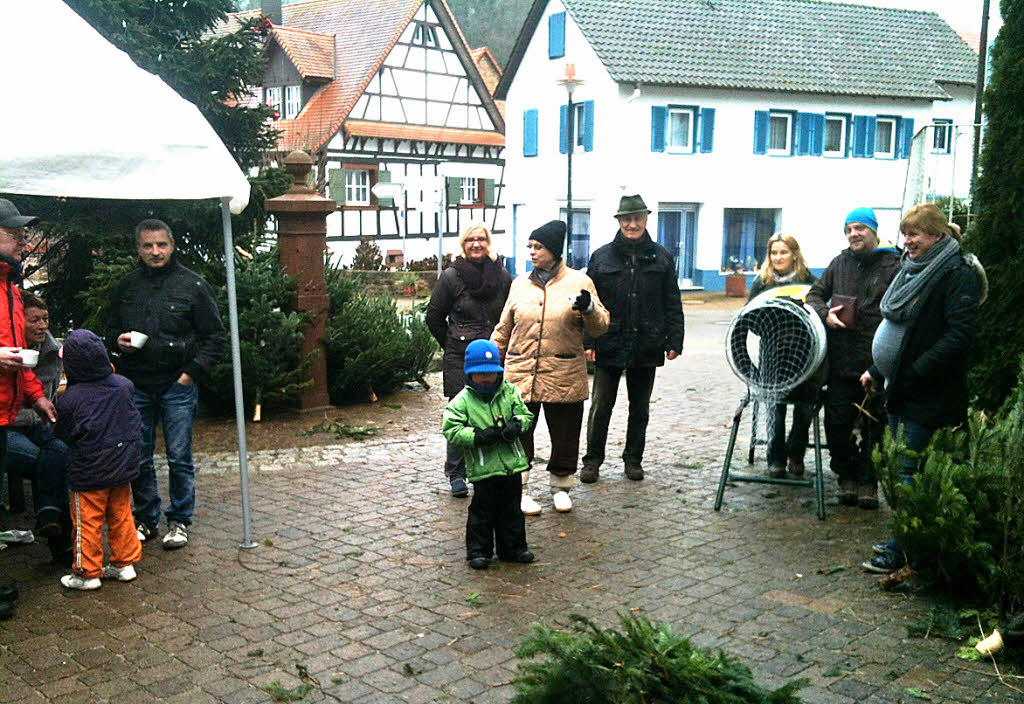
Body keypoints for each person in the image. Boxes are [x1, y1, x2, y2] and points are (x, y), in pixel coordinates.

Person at [861, 204, 984, 574]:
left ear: (937, 236)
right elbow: (900, 328)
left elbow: (960, 335)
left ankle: (903, 549)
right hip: (900, 387)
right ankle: (904, 540)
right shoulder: (913, 270)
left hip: (927, 392)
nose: (907, 241)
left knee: (907, 472)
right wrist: (876, 368)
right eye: (905, 234)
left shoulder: (956, 274)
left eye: (914, 234)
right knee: (900, 470)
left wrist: (914, 371)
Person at [107, 219, 226, 549]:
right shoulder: (126, 288)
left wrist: (191, 373)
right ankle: (146, 518)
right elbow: (109, 331)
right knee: (140, 455)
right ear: (138, 249)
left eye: (161, 245)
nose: (155, 252)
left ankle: (179, 520)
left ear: (172, 246)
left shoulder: (193, 286)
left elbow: (215, 337)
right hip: (137, 384)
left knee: (178, 456)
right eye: (148, 246)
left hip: (177, 383)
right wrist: (117, 342)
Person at [491, 220, 608, 515]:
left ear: (554, 250)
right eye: (530, 246)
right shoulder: (519, 284)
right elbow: (504, 327)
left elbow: (601, 327)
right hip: (521, 372)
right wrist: (490, 360)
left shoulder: (580, 282)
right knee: (518, 432)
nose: (532, 252)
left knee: (566, 432)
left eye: (538, 247)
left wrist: (589, 308)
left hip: (563, 373)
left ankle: (561, 486)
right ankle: (521, 489)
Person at [581, 195, 684, 483]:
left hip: (646, 342)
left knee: (640, 408)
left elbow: (672, 301)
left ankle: (633, 459)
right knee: (601, 406)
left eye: (637, 218)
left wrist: (674, 339)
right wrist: (588, 343)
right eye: (627, 219)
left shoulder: (662, 257)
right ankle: (592, 461)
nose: (632, 224)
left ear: (646, 219)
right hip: (609, 341)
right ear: (619, 221)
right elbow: (590, 305)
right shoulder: (601, 258)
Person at [806, 208, 899, 508]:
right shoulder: (839, 263)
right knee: (837, 424)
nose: (853, 234)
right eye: (848, 229)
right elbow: (814, 295)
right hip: (842, 361)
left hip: (878, 361)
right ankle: (845, 475)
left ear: (873, 230)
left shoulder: (894, 264)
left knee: (876, 425)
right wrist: (825, 315)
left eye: (859, 228)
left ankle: (867, 481)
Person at [426, 223, 512, 498]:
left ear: (489, 243)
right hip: (461, 358)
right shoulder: (451, 277)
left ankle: (490, 469)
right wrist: (453, 343)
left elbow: (510, 315)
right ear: (463, 245)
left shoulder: (503, 276)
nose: (476, 244)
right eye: (471, 240)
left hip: (494, 356)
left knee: (494, 412)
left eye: (481, 239)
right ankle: (456, 473)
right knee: (461, 415)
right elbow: (434, 317)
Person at [54, 330, 142, 590]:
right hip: (123, 466)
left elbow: (64, 433)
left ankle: (87, 572)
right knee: (122, 514)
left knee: (86, 522)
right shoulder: (124, 385)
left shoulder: (70, 399)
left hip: (89, 472)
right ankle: (124, 564)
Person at [442, 339, 535, 570]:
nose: (486, 378)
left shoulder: (510, 392)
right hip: (483, 468)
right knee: (482, 512)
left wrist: (517, 425)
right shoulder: (462, 401)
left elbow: (525, 415)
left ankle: (513, 548)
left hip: (511, 465)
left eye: (491, 373)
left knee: (512, 509)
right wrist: (476, 436)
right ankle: (478, 551)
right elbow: (451, 429)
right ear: (469, 374)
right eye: (479, 374)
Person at [3, 292, 71, 561]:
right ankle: (60, 540)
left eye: (46, 319)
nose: (43, 325)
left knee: (60, 451)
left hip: (32, 425)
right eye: (34, 320)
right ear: (18, 322)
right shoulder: (7, 351)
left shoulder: (51, 349)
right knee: (44, 462)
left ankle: (48, 518)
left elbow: (47, 393)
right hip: (7, 426)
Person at [746, 233, 818, 478]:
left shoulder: (811, 281)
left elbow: (818, 314)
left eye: (783, 252)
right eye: (773, 253)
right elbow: (751, 321)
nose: (778, 257)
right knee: (775, 408)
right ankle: (775, 458)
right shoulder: (761, 283)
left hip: (806, 355)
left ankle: (796, 453)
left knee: (805, 408)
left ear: (794, 254)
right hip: (773, 355)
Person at [0, 199, 57, 481]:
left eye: (23, 237)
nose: (22, 243)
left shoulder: (10, 289)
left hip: (6, 412)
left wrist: (36, 397)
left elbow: (19, 355)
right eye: (14, 235)